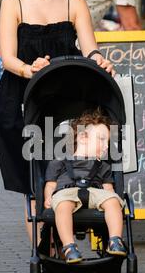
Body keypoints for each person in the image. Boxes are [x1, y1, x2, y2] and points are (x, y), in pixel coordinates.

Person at [0, 0, 114, 242]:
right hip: (21, 100)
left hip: (65, 103)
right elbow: (8, 58)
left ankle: (63, 244)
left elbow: (90, 47)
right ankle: (43, 260)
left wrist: (99, 59)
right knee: (32, 185)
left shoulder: (74, 2)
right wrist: (28, 68)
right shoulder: (13, 4)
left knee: (65, 176)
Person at [44, 109, 127, 263]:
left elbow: (108, 189)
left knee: (113, 201)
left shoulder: (103, 166)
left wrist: (113, 199)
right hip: (66, 192)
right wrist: (48, 197)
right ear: (82, 137)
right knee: (62, 204)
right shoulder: (60, 162)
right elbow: (51, 184)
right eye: (101, 139)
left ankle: (115, 240)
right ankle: (69, 246)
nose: (105, 147)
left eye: (107, 143)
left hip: (95, 193)